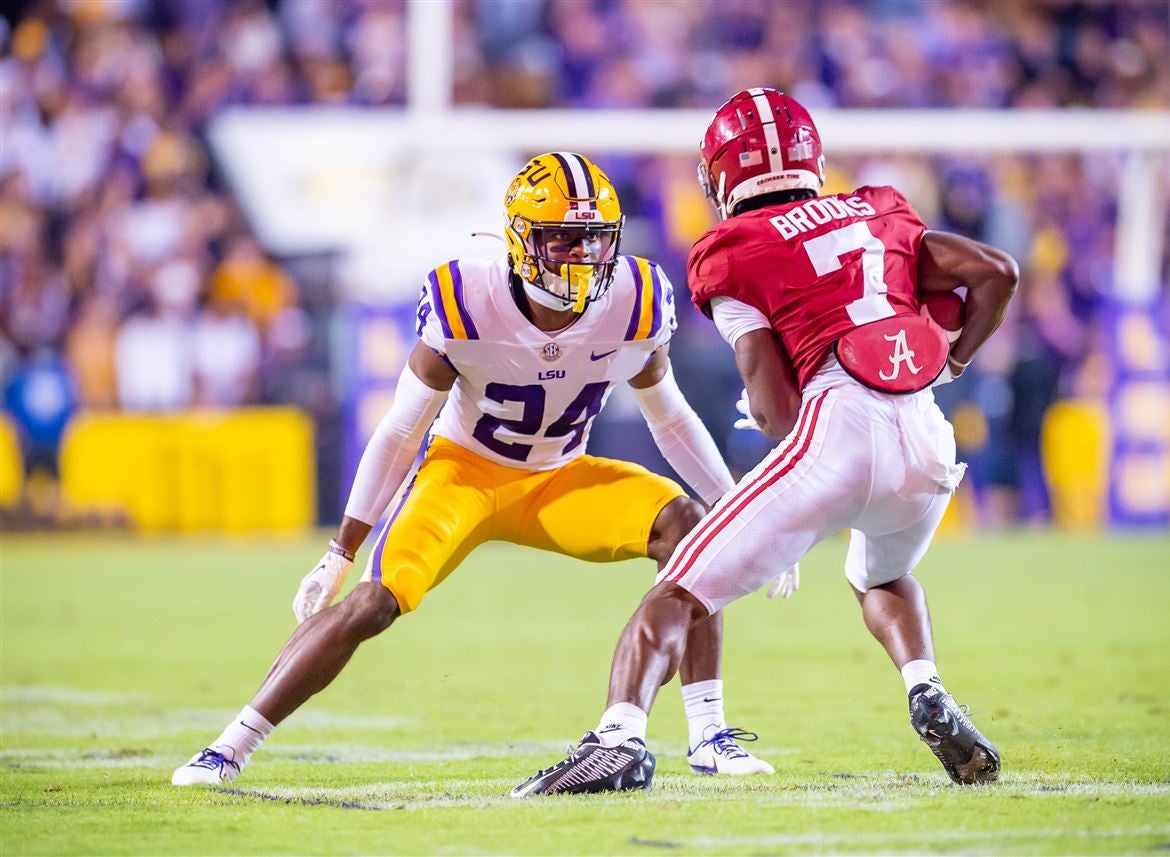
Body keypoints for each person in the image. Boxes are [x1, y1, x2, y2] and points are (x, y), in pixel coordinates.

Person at [172, 152, 785, 786]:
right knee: (374, 603)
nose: (583, 256)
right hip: (463, 473)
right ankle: (230, 746)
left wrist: (738, 516)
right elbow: (400, 430)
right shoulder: (467, 299)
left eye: (595, 239)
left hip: (558, 478)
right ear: (523, 240)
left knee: (691, 530)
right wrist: (340, 549)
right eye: (563, 239)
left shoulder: (635, 298)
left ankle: (710, 736)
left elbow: (673, 420)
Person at [513, 89, 1018, 797]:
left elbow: (781, 408)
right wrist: (954, 359)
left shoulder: (731, 249)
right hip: (926, 435)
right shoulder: (882, 207)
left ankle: (618, 737)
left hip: (839, 426)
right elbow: (998, 273)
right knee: (878, 575)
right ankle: (926, 686)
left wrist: (774, 428)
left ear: (722, 173)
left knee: (678, 587)